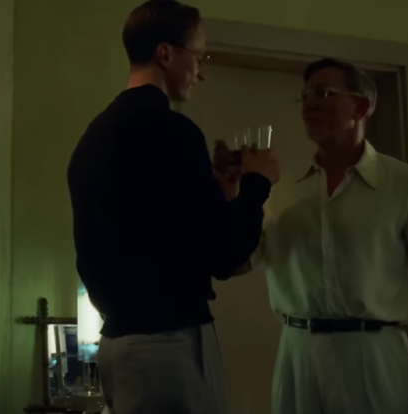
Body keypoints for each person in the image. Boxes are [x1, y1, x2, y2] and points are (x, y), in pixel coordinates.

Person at [67, 1, 280, 413]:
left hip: (117, 346)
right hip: (167, 348)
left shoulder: (94, 136)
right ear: (165, 53)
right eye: (199, 57)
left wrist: (221, 196)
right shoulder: (173, 132)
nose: (202, 72)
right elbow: (223, 255)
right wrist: (258, 183)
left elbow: (162, 233)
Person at [238, 58, 408, 414]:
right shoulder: (281, 193)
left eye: (323, 93)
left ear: (360, 106)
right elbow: (237, 263)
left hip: (374, 356)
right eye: (305, 96)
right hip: (296, 356)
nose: (309, 104)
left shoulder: (407, 185)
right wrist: (232, 198)